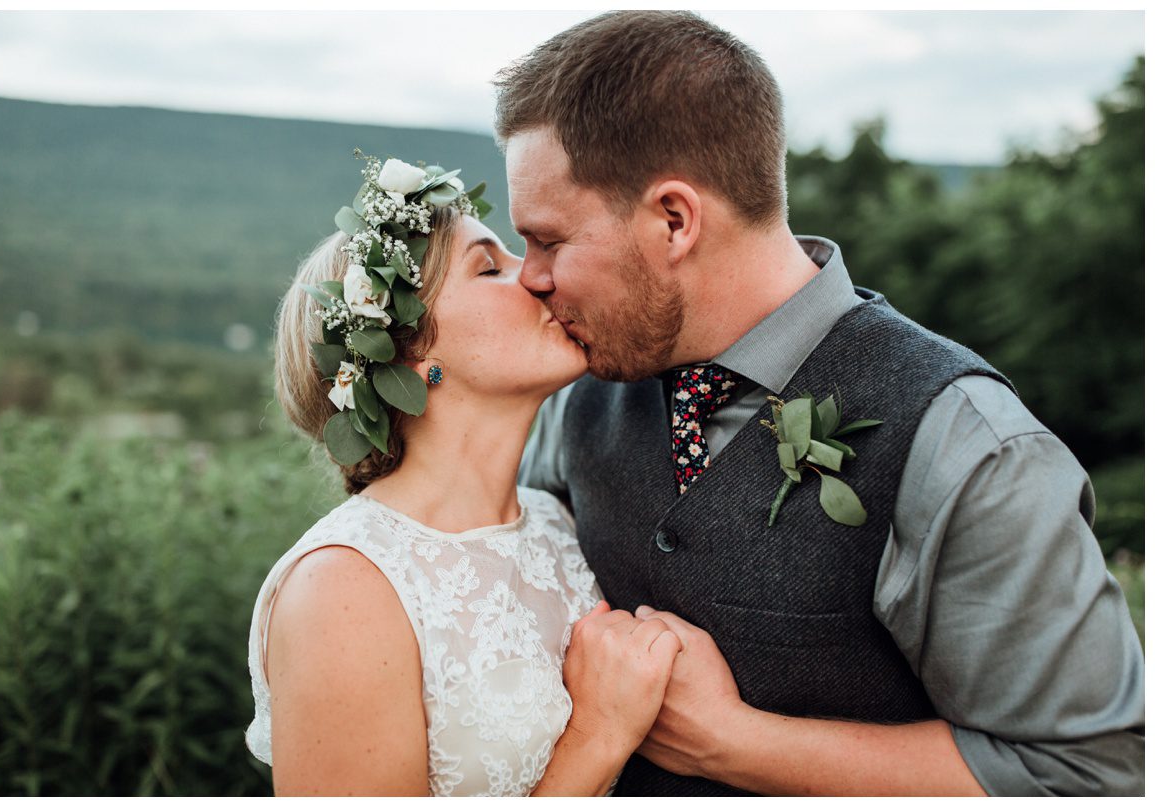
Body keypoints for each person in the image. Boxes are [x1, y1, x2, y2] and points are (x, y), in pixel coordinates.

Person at [501, 10, 1145, 797]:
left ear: (674, 219)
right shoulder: (579, 397)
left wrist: (736, 743)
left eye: (549, 241)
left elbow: (1092, 775)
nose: (528, 277)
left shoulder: (970, 448)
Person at [244, 152, 682, 796]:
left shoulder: (559, 522)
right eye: (490, 267)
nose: (538, 277)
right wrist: (599, 735)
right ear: (411, 357)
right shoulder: (342, 590)